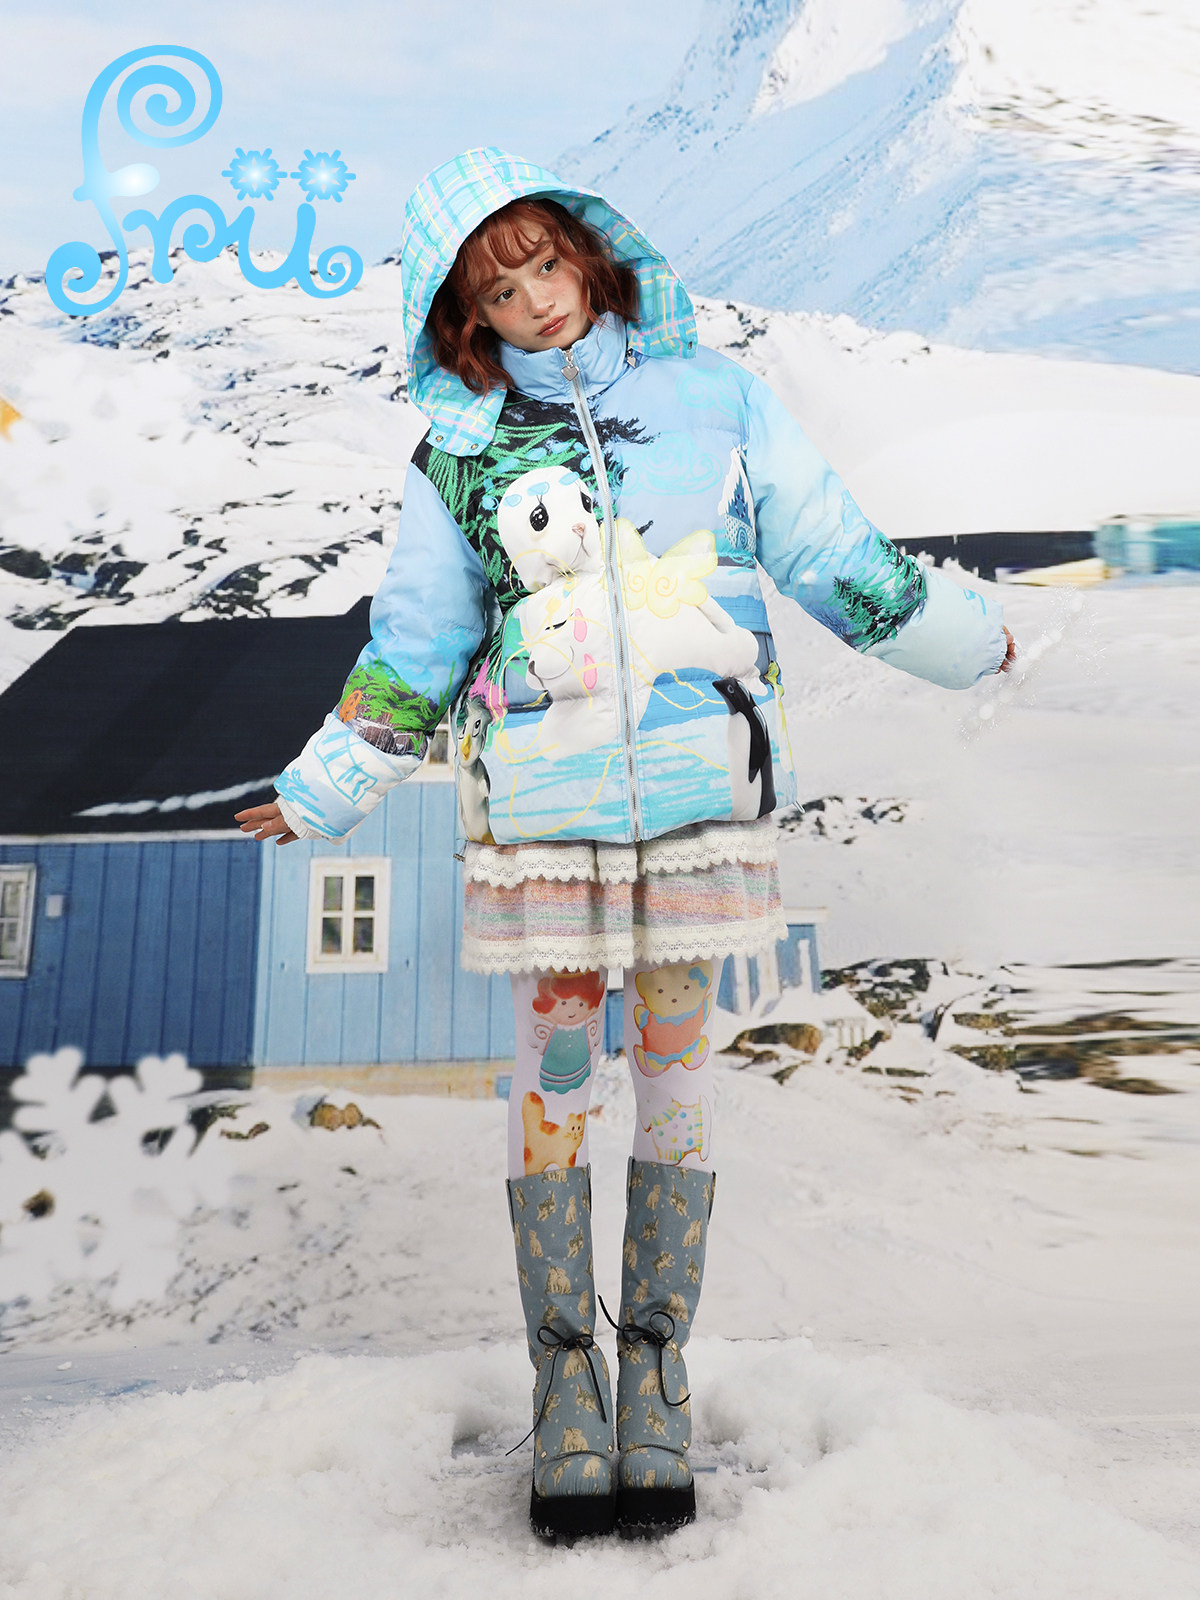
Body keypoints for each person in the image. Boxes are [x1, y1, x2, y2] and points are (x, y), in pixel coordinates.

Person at [237, 147, 1014, 1541]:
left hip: (698, 803)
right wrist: (328, 782)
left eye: (545, 263)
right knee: (553, 1082)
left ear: (590, 253)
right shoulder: (461, 453)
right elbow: (419, 641)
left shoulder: (718, 401)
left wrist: (968, 639)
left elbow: (830, 551)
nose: (536, 299)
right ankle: (565, 1383)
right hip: (545, 823)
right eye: (499, 290)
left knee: (673, 1072)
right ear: (463, 319)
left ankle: (655, 1371)